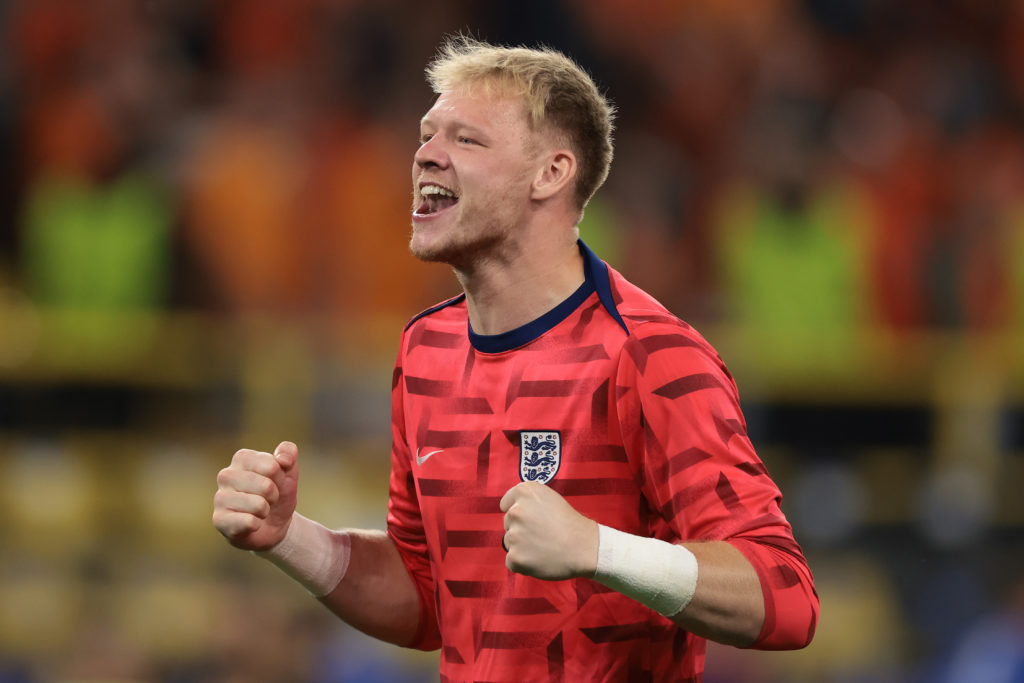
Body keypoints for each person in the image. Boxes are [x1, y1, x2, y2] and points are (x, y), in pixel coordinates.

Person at [213, 35, 819, 681]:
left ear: (550, 173)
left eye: (465, 139)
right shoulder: (425, 350)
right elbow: (430, 597)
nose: (426, 155)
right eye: (427, 135)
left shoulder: (650, 354)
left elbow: (785, 597)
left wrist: (598, 549)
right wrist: (290, 537)